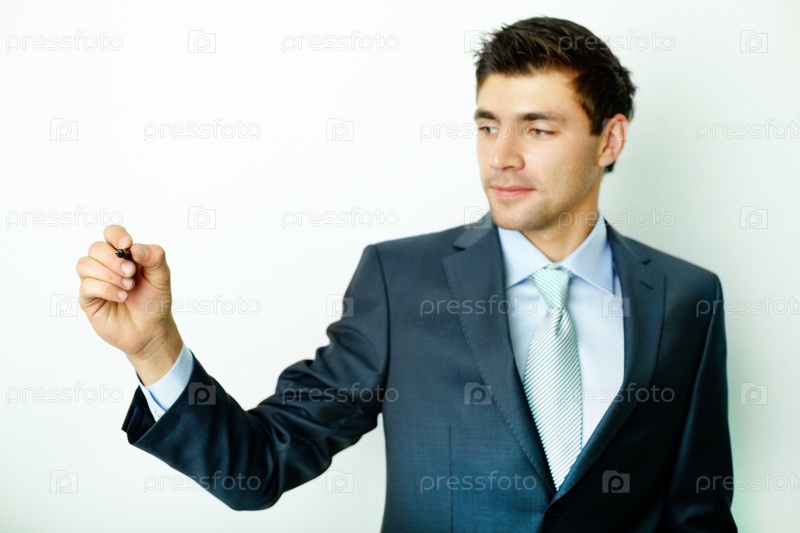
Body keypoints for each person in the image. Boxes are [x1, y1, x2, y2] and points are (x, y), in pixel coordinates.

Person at [76, 16, 736, 531]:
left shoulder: (686, 297)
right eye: (488, 126)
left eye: (537, 130)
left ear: (609, 139)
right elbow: (257, 467)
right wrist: (155, 347)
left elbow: (698, 513)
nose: (501, 158)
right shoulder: (402, 282)